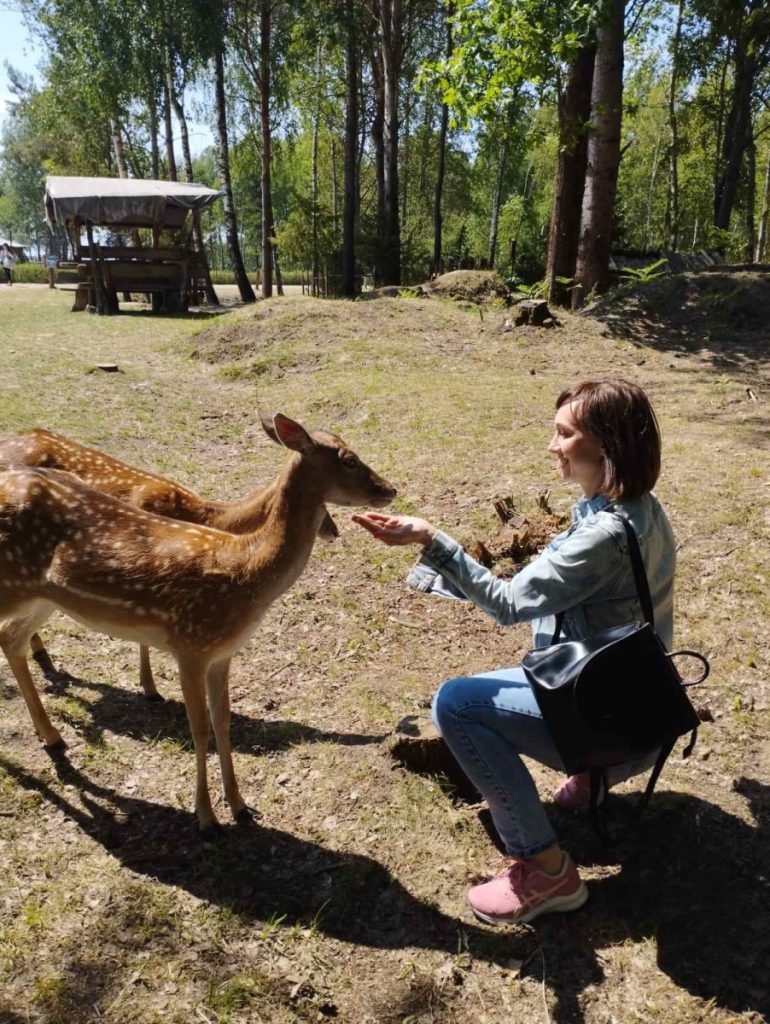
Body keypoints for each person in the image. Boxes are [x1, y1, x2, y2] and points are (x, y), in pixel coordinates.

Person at [353, 379, 675, 925]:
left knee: (455, 703)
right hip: (648, 703)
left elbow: (507, 603)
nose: (552, 445)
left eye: (563, 433)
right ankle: (591, 781)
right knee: (505, 685)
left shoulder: (602, 537)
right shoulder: (640, 510)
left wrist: (430, 540)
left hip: (613, 724)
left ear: (607, 447)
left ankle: (546, 870)